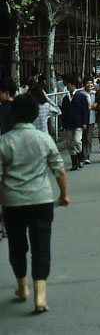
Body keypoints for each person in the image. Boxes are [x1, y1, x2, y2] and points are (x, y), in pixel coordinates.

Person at [0, 94, 69, 313]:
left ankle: (22, 287)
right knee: (41, 245)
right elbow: (59, 170)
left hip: (12, 202)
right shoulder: (43, 139)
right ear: (34, 114)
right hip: (41, 200)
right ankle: (40, 296)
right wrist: (63, 195)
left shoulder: (4, 141)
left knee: (16, 245)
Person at [60, 75, 90, 171]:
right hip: (69, 124)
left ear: (72, 85)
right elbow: (63, 112)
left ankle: (80, 158)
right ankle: (74, 162)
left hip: (79, 123)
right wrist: (63, 123)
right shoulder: (66, 98)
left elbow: (85, 111)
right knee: (70, 143)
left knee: (77, 140)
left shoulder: (81, 97)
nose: (67, 87)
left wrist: (85, 122)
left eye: (68, 85)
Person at [82, 77, 96, 163]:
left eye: (91, 83)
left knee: (89, 138)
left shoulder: (94, 94)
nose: (89, 85)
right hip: (83, 119)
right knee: (84, 138)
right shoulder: (81, 95)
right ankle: (83, 155)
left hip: (92, 119)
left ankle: (87, 156)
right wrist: (90, 108)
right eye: (87, 83)